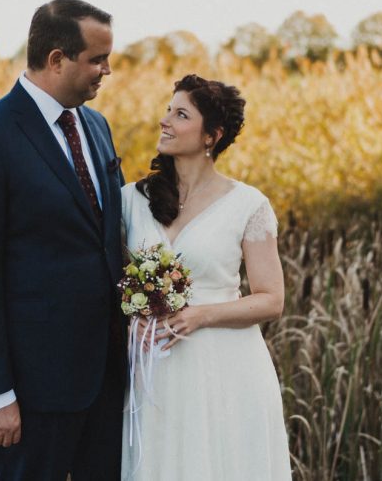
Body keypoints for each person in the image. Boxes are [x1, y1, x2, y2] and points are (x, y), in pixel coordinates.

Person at [0, 0, 126, 480]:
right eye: (98, 59)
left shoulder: (96, 126)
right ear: (57, 59)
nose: (107, 70)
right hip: (33, 391)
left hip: (107, 380)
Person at [120, 74, 293, 480]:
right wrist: (131, 318)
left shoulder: (247, 204)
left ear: (211, 136)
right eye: (168, 110)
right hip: (156, 370)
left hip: (226, 369)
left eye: (181, 115)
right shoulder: (131, 199)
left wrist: (200, 315)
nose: (165, 121)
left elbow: (271, 299)